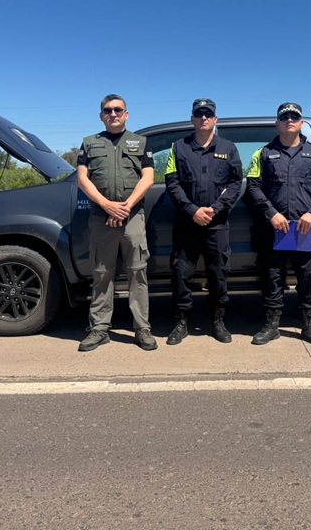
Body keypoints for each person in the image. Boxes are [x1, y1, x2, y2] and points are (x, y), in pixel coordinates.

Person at [244, 102, 311, 346]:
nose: (289, 120)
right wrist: (271, 213)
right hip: (275, 227)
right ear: (277, 123)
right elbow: (252, 186)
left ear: (301, 123)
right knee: (273, 276)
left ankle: (310, 325)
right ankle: (271, 325)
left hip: (306, 227)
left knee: (309, 278)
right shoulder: (263, 153)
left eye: (294, 117)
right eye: (284, 117)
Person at [76, 94, 157, 352]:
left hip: (132, 217)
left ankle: (142, 328)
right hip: (101, 218)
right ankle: (99, 329)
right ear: (101, 115)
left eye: (118, 110)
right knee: (101, 274)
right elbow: (82, 179)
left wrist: (125, 207)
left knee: (137, 272)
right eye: (108, 110)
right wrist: (106, 205)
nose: (113, 114)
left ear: (126, 114)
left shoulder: (140, 142)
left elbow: (148, 178)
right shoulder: (89, 143)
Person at [164, 98, 243, 344]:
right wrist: (192, 210)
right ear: (192, 119)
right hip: (187, 223)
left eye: (208, 114)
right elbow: (172, 182)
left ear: (215, 119)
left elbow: (235, 183)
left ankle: (218, 321)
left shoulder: (229, 148)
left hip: (216, 224)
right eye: (199, 114)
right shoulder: (178, 147)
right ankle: (181, 322)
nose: (203, 118)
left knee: (218, 272)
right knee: (181, 272)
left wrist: (215, 208)